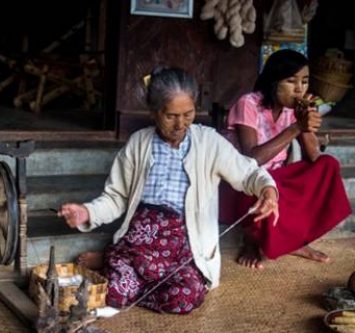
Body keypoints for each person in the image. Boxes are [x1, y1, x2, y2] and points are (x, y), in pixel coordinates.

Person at [58, 66, 279, 315]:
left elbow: (248, 172)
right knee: (117, 294)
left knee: (185, 298)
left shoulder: (209, 142)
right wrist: (87, 212)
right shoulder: (139, 143)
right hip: (139, 241)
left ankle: (114, 263)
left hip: (184, 245)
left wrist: (267, 188)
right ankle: (118, 261)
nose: (180, 124)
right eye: (171, 115)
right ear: (154, 112)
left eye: (188, 113)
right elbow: (116, 196)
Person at [219, 49, 352, 270]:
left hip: (274, 177)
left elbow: (314, 157)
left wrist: (305, 120)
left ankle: (295, 242)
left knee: (328, 165)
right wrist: (295, 127)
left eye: (305, 81)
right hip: (241, 184)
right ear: (273, 82)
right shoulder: (248, 103)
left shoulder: (292, 111)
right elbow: (251, 160)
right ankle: (250, 240)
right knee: (267, 186)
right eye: (291, 81)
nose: (300, 88)